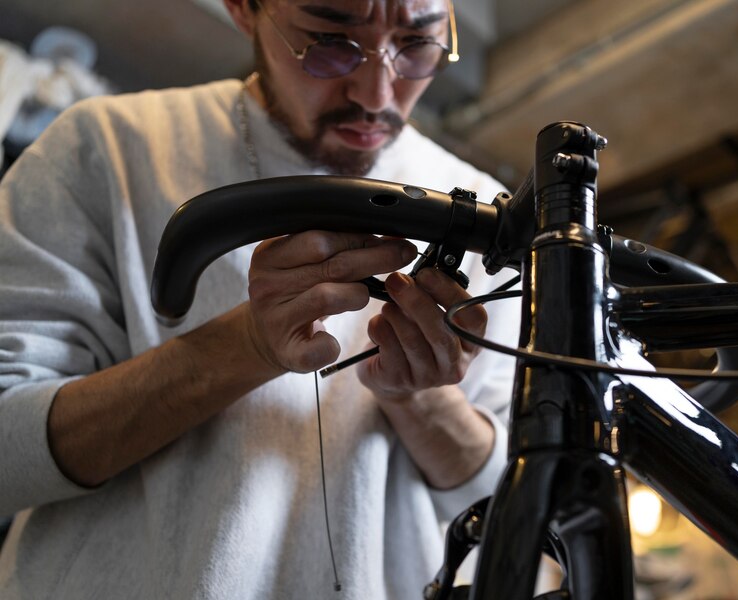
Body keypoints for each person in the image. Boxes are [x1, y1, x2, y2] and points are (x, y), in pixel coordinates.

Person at [0, 1, 519, 597]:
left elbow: (510, 510)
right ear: (244, 9)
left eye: (417, 43)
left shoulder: (486, 218)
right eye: (329, 40)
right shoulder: (108, 149)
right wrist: (244, 346)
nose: (377, 94)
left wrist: (426, 402)